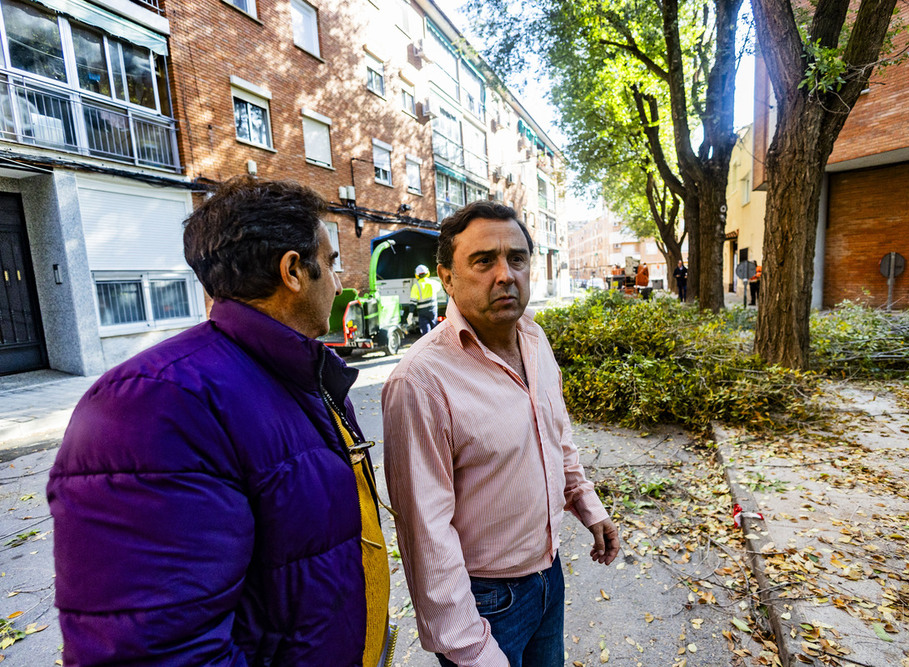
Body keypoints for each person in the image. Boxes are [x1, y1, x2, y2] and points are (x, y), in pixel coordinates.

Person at [47, 177, 393, 666]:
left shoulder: (299, 372)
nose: (340, 284)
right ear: (293, 270)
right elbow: (153, 651)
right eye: (332, 264)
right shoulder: (157, 403)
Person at [382, 201, 620, 667]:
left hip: (549, 576)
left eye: (517, 258)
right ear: (447, 277)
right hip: (487, 604)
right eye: (483, 260)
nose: (506, 274)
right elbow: (425, 535)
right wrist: (471, 649)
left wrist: (588, 506)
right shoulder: (419, 381)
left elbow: (557, 435)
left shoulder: (533, 338)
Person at [411, 263, 439, 336]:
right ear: (428, 273)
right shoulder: (433, 283)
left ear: (416, 275)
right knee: (435, 327)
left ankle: (428, 345)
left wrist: (410, 313)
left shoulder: (416, 286)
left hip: (422, 311)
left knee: (426, 330)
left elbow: (413, 302)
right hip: (433, 309)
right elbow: (439, 288)